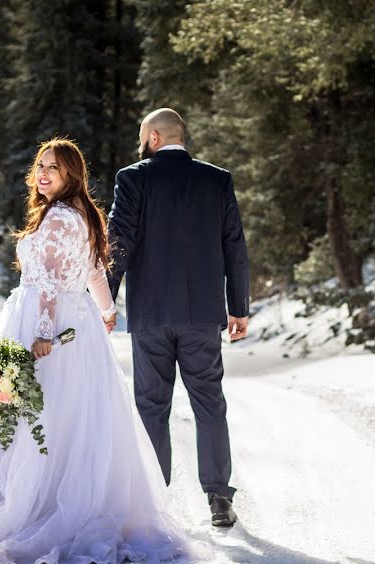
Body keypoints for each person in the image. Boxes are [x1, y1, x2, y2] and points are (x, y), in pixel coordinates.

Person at [0, 138, 188, 564]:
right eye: (41, 165)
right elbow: (94, 270)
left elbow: (48, 280)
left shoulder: (59, 218)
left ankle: (35, 507)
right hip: (77, 317)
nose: (44, 173)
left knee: (38, 414)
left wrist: (44, 333)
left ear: (72, 176)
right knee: (69, 415)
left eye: (55, 168)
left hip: (47, 321)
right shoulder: (81, 215)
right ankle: (58, 498)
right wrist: (106, 309)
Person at [106, 108, 250, 528]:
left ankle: (155, 505)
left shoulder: (133, 178)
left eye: (140, 135)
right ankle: (219, 499)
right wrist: (237, 306)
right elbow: (234, 245)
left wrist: (105, 303)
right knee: (209, 402)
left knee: (152, 406)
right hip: (203, 314)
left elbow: (119, 240)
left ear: (152, 137)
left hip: (151, 313)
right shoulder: (217, 179)